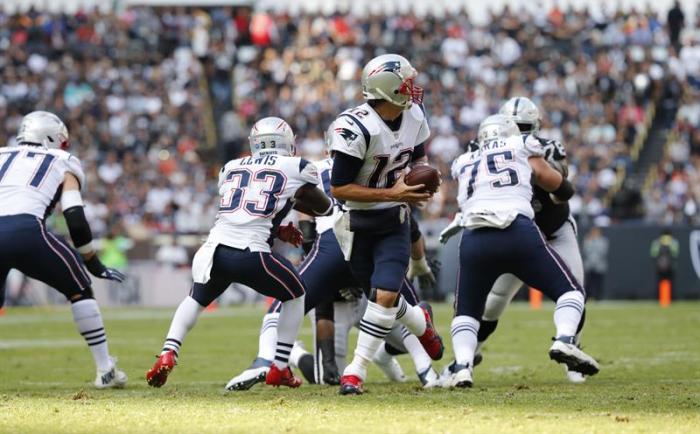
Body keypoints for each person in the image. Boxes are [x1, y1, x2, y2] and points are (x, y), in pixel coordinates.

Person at [145, 117, 333, 390]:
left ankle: (168, 351)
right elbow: (323, 207)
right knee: (297, 294)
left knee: (196, 299)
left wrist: (278, 229)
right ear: (288, 142)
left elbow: (246, 209)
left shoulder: (231, 167)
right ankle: (280, 367)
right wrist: (297, 203)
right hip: (250, 253)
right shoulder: (298, 166)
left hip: (213, 250)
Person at [225, 156, 442, 391]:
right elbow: (410, 226)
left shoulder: (314, 169)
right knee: (325, 374)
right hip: (346, 268)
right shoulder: (376, 166)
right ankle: (292, 355)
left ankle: (266, 358)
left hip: (355, 252)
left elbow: (304, 217)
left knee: (286, 305)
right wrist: (419, 262)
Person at [443, 114, 599, 388]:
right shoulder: (523, 147)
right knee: (571, 292)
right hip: (517, 231)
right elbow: (561, 186)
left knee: (466, 311)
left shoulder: (465, 159)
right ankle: (564, 341)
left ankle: (463, 367)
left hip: (476, 237)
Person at [329, 54, 444, 395]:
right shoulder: (356, 127)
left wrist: (419, 181)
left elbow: (418, 156)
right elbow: (338, 187)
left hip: (394, 221)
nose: (413, 89)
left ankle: (355, 372)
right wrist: (393, 191)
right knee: (386, 304)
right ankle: (421, 323)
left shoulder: (414, 115)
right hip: (359, 223)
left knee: (385, 296)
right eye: (406, 83)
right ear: (389, 90)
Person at [0, 111, 127, 388]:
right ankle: (105, 369)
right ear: (52, 138)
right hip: (25, 229)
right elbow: (75, 217)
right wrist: (93, 263)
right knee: (80, 290)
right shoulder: (62, 160)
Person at [650, 229, 679, 306]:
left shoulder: (656, 242)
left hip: (659, 267)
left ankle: (660, 299)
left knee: (659, 283)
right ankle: (670, 299)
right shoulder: (673, 242)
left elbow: (653, 254)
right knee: (670, 283)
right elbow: (675, 254)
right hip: (670, 266)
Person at [583, 226, 608, 301]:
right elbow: (585, 251)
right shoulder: (587, 240)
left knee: (599, 282)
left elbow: (603, 251)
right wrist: (589, 241)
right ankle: (587, 297)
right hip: (589, 265)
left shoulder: (603, 240)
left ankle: (598, 298)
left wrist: (595, 260)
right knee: (588, 282)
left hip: (599, 265)